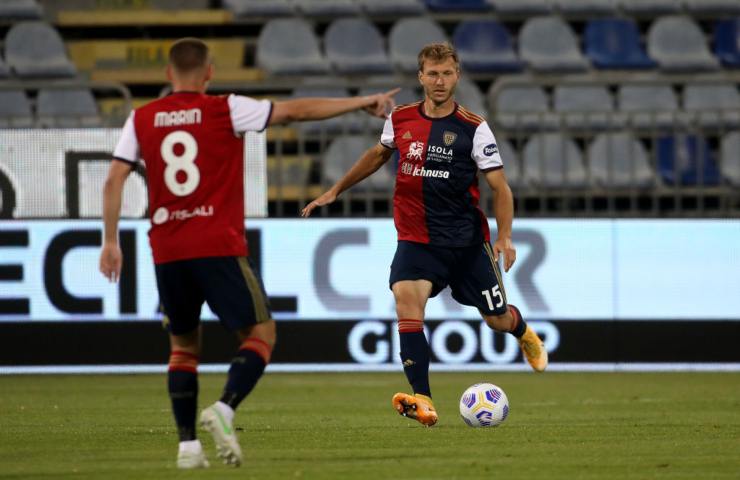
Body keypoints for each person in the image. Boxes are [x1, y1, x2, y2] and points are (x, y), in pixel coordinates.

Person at [98, 37, 398, 468]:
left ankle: (187, 449)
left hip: (166, 247)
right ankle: (223, 409)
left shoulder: (140, 119)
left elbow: (113, 181)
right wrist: (361, 102)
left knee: (182, 346)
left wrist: (110, 240)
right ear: (209, 73)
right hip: (218, 244)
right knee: (261, 336)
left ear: (168, 74)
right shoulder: (226, 108)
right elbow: (295, 110)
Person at [302, 42, 547, 427]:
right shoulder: (399, 119)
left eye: (447, 73)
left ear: (457, 76)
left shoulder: (473, 127)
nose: (439, 81)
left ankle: (523, 331)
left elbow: (500, 188)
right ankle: (423, 399)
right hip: (416, 240)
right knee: (407, 302)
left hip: (467, 244)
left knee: (496, 319)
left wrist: (505, 237)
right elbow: (378, 154)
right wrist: (336, 190)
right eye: (432, 73)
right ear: (420, 76)